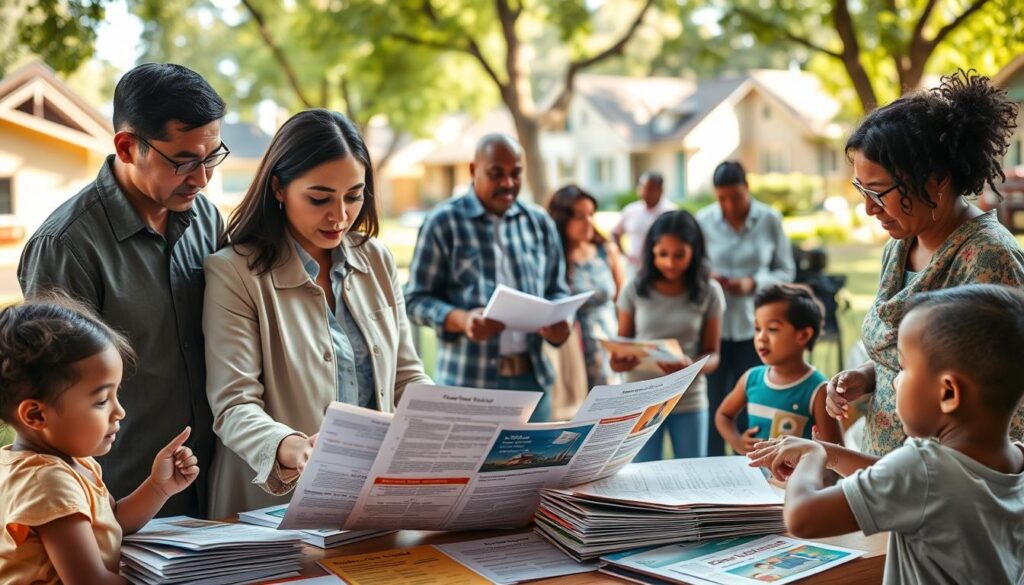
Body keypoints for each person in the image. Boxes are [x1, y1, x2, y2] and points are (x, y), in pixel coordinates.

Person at [18, 63, 226, 517]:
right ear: (127, 146)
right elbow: (49, 402)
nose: (202, 178)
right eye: (185, 161)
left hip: (212, 490)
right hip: (116, 505)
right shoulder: (65, 246)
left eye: (211, 157)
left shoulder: (207, 220)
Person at [203, 109, 431, 518]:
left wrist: (457, 421)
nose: (340, 215)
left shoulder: (376, 259)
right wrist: (292, 448)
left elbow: (407, 376)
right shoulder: (234, 272)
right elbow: (234, 405)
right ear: (279, 188)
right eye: (319, 198)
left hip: (374, 501)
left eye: (354, 196)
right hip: (274, 508)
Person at [748, 284, 1024, 585]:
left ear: (948, 392)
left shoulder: (924, 469)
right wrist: (830, 453)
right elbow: (897, 481)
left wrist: (811, 456)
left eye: (902, 368)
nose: (893, 383)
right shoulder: (1014, 460)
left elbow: (803, 517)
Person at [825, 70, 1024, 455]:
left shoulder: (990, 259)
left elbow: (1004, 401)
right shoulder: (899, 244)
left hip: (946, 493)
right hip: (887, 479)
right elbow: (913, 362)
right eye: (861, 190)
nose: (868, 208)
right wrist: (867, 377)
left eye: (879, 192)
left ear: (937, 181)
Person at [0, 298, 199, 584]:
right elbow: (89, 580)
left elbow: (112, 523)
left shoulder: (72, 464)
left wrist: (159, 487)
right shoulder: (46, 481)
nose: (119, 411)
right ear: (35, 414)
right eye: (102, 400)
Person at [405, 134, 570, 422]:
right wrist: (462, 319)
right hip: (467, 386)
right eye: (496, 174)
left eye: (516, 174)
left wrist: (559, 323)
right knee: (464, 469)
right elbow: (415, 299)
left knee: (531, 468)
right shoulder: (443, 222)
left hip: (532, 385)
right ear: (473, 170)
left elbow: (557, 289)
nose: (508, 183)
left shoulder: (539, 222)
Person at [697, 161, 795, 456]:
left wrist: (753, 282)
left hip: (757, 326)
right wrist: (710, 278)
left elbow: (786, 270)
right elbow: (694, 266)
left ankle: (753, 463)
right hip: (714, 326)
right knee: (714, 402)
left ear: (747, 189)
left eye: (735, 197)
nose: (729, 205)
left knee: (753, 400)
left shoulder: (769, 219)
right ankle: (710, 471)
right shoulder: (703, 222)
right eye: (722, 198)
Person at [612, 211, 723, 461]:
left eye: (679, 255)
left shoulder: (709, 292)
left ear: (694, 251)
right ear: (651, 252)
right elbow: (620, 350)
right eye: (662, 254)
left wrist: (690, 366)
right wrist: (619, 361)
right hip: (639, 400)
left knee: (691, 477)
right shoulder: (634, 288)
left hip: (688, 398)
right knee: (642, 479)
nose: (670, 263)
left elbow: (713, 354)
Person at [715, 284, 843, 454]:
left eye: (772, 329)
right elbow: (723, 415)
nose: (761, 337)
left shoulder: (818, 391)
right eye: (757, 329)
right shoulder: (751, 379)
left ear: (803, 335)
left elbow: (836, 454)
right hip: (756, 479)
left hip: (796, 481)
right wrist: (737, 442)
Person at [547, 184, 625, 388]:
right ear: (562, 219)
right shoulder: (554, 259)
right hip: (571, 354)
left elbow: (622, 302)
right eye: (579, 216)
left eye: (591, 214)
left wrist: (624, 347)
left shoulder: (606, 251)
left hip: (608, 348)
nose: (588, 222)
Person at [612, 171, 675, 275]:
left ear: (660, 190)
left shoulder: (670, 213)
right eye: (642, 187)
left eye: (650, 189)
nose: (645, 192)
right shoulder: (631, 210)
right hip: (634, 269)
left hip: (661, 271)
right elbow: (615, 233)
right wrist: (623, 254)